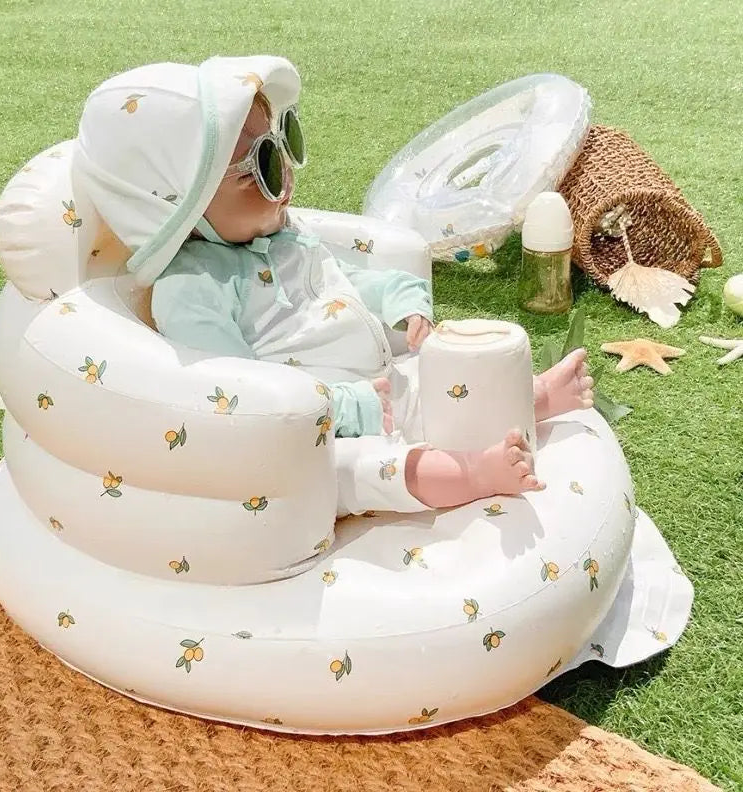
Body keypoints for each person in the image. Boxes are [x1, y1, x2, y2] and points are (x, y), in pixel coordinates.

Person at [74, 55, 593, 518]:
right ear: (180, 206)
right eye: (262, 167)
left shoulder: (286, 236)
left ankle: (532, 400)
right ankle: (473, 475)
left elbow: (347, 281)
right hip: (313, 433)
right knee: (363, 469)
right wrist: (341, 408)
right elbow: (238, 391)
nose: (286, 177)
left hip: (380, 384)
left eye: (283, 146)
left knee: (440, 382)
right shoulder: (194, 286)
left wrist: (400, 298)